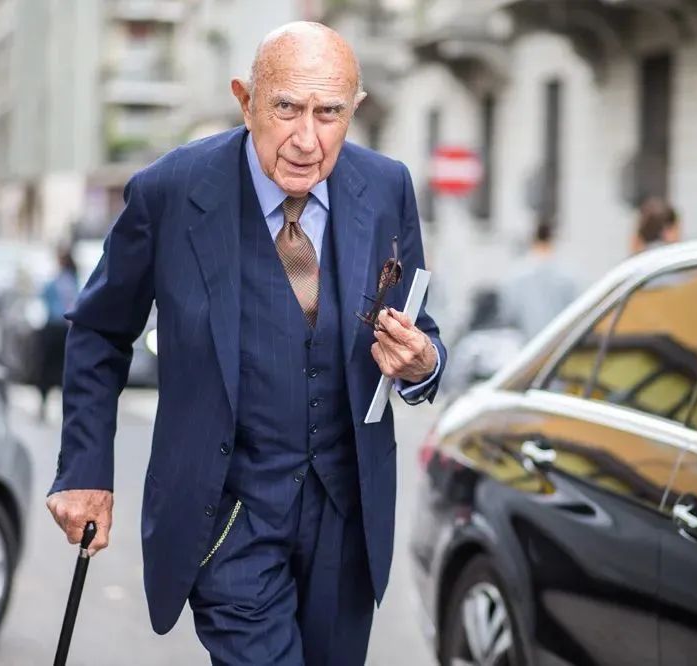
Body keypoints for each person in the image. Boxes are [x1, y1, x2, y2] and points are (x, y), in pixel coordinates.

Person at [45, 22, 446, 666]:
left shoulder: (386, 186)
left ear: (354, 110)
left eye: (329, 113)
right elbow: (99, 329)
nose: (307, 139)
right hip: (229, 519)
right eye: (286, 107)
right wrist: (85, 470)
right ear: (245, 100)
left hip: (345, 516)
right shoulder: (171, 192)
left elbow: (418, 327)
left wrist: (423, 362)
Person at [498, 218, 579, 341]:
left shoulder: (516, 276)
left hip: (530, 345)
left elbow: (508, 314)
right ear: (552, 239)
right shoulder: (569, 275)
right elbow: (576, 312)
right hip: (560, 343)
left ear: (532, 239)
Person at [36, 246, 79, 421]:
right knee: (64, 369)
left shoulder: (57, 282)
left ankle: (44, 403)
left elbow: (43, 296)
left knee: (46, 368)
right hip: (66, 330)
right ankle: (66, 408)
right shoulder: (74, 281)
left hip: (54, 328)